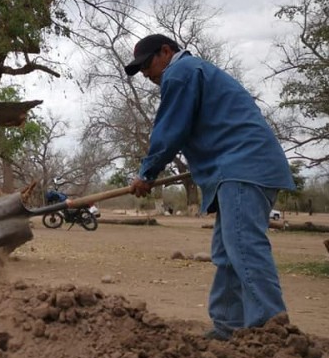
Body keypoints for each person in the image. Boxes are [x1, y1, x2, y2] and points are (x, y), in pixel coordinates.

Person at [124, 34, 295, 340]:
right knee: (227, 252)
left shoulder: (181, 72)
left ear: (166, 52)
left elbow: (170, 130)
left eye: (147, 64)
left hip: (243, 166)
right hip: (242, 168)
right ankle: (228, 329)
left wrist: (147, 173)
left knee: (244, 248)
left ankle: (272, 334)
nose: (146, 74)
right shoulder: (194, 73)